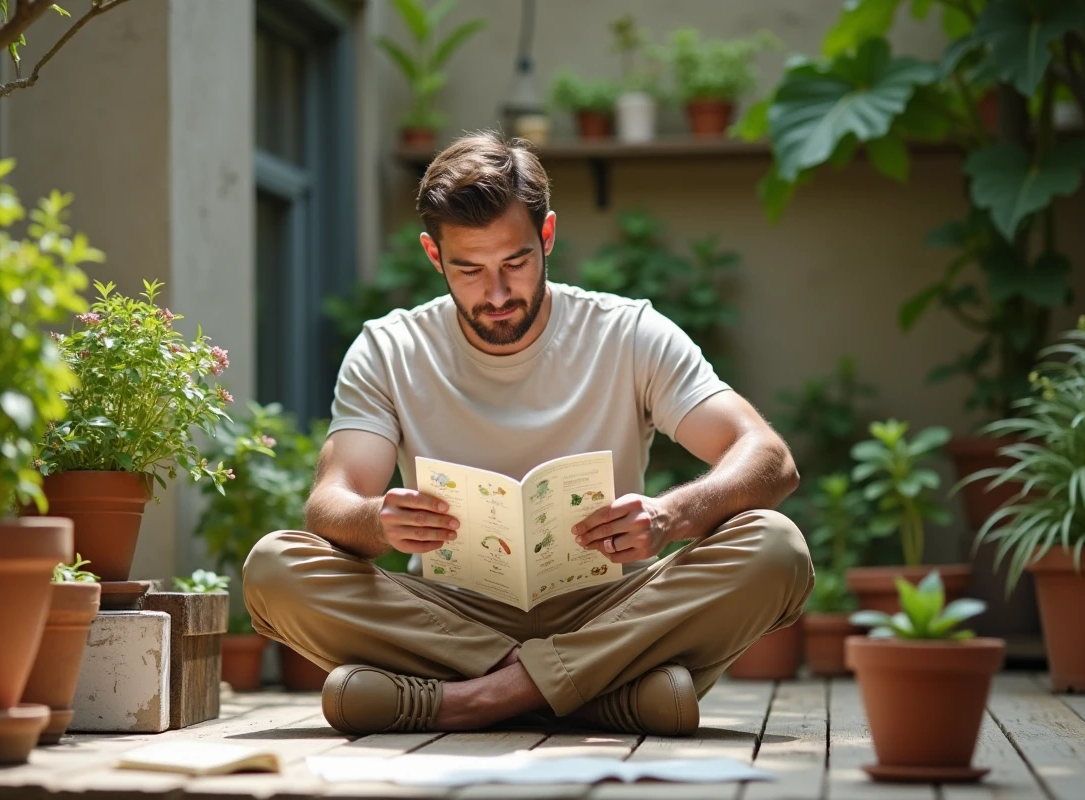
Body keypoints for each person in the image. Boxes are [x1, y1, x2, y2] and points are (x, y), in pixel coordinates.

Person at [243, 132, 813, 737]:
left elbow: (769, 458)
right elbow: (331, 501)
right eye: (468, 269)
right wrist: (376, 520)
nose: (495, 294)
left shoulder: (628, 334)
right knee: (275, 567)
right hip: (450, 618)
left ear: (546, 238)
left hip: (609, 609)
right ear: (434, 257)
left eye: (514, 263)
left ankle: (474, 701)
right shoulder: (390, 348)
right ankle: (599, 696)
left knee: (776, 548)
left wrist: (671, 516)